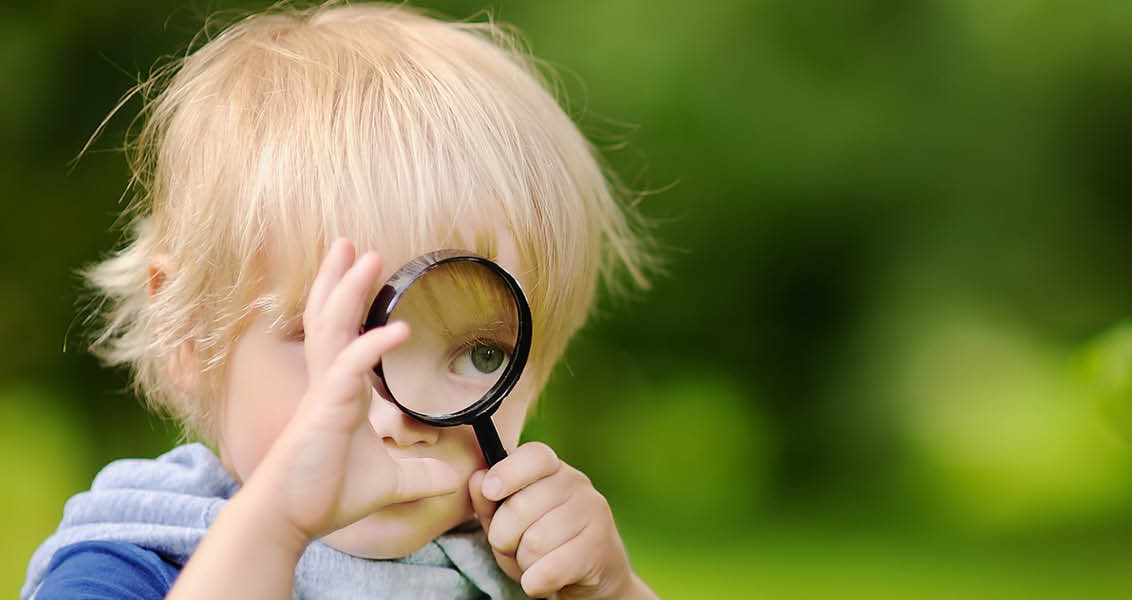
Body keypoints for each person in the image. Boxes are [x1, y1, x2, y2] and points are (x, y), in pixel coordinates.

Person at [21, 3, 659, 598]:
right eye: (339, 342)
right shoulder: (132, 559)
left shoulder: (518, 566)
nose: (395, 424)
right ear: (187, 331)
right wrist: (277, 520)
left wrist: (613, 588)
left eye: (481, 354)